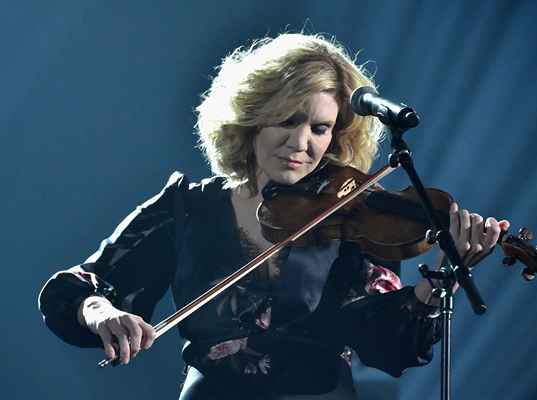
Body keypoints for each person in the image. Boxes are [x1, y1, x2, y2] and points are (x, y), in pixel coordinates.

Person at [38, 33, 509, 399]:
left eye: (320, 128)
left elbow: (382, 343)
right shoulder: (189, 207)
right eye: (286, 120)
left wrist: (430, 291)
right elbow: (79, 285)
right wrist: (100, 311)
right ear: (251, 118)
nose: (301, 143)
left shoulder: (352, 213)